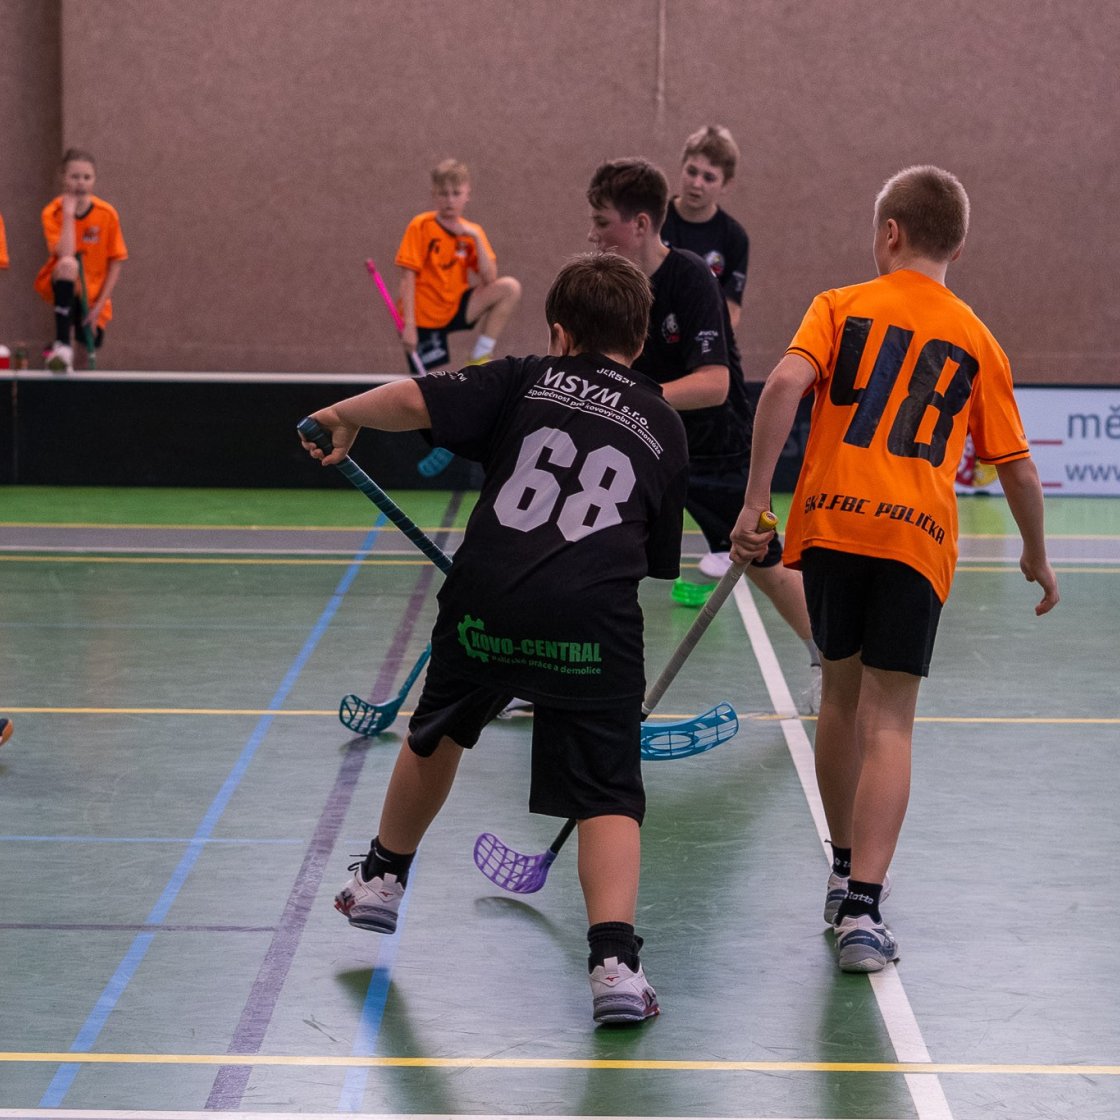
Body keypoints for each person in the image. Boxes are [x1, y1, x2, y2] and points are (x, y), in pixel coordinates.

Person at [300, 252, 689, 1025]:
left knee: (437, 730)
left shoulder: (524, 377)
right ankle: (614, 967)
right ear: (641, 342)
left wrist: (343, 414)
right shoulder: (666, 425)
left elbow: (412, 399)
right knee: (607, 788)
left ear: (558, 333)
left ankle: (381, 879)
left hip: (489, 598)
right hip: (591, 622)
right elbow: (651, 559)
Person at [729, 165, 1060, 973]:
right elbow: (1017, 468)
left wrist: (755, 502)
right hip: (915, 540)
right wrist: (1035, 553)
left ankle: (841, 871)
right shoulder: (977, 338)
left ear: (890, 233)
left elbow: (782, 384)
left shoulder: (838, 305)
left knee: (839, 700)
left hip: (831, 525)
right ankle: (864, 912)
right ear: (958, 247)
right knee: (890, 722)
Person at [585, 157, 822, 710]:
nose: (592, 235)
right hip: (644, 444)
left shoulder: (690, 277)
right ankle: (547, 675)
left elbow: (714, 384)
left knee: (763, 565)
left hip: (715, 446)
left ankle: (827, 658)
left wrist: (631, 398)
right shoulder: (606, 285)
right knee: (582, 546)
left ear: (641, 224)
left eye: (601, 222)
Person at [395, 158, 521, 372]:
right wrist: (409, 325)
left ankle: (480, 355)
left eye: (456, 193)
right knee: (431, 384)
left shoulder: (472, 231)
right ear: (434, 194)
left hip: (455, 307)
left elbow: (489, 278)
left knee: (510, 287)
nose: (450, 200)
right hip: (424, 316)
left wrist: (475, 238)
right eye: (443, 194)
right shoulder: (421, 226)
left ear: (467, 194)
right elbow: (408, 278)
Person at [34, 148, 128, 373]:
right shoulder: (53, 212)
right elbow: (65, 253)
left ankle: (73, 373)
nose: (80, 183)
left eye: (87, 177)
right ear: (63, 178)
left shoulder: (106, 214)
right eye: (74, 177)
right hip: (63, 283)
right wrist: (68, 214)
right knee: (69, 264)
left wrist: (98, 307)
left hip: (93, 296)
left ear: (94, 179)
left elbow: (116, 261)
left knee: (84, 357)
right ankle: (62, 344)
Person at [660, 125, 749, 332]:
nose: (697, 183)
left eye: (709, 178)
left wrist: (702, 340)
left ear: (726, 184)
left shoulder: (734, 237)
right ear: (682, 167)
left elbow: (731, 310)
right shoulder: (655, 220)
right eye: (692, 172)